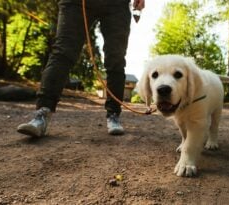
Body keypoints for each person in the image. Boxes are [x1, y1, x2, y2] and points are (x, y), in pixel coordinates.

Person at [17, 0, 145, 137]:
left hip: (116, 4)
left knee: (116, 59)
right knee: (62, 52)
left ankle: (113, 114)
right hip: (76, 3)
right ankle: (42, 113)